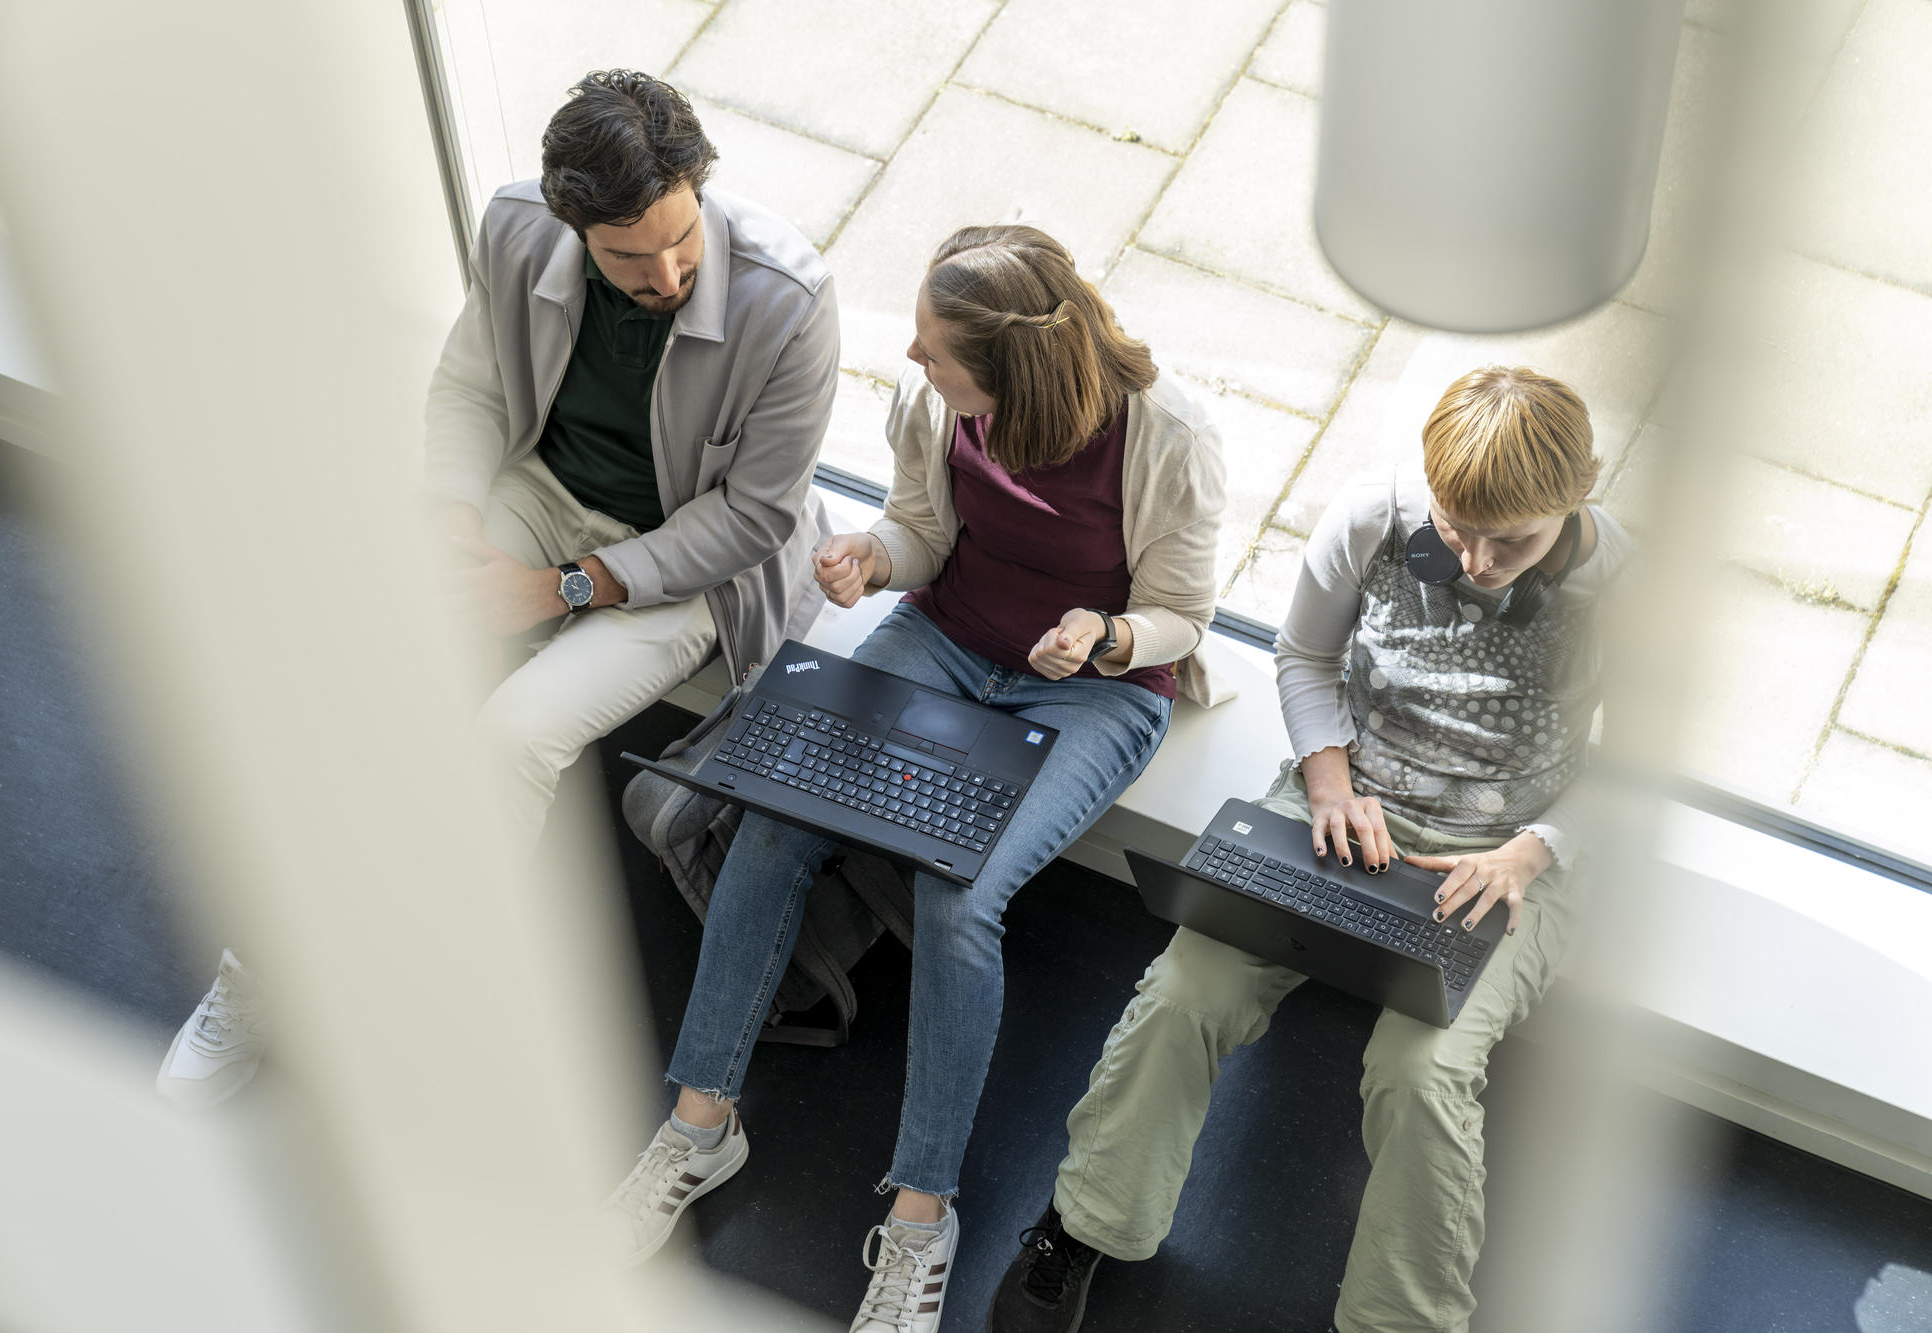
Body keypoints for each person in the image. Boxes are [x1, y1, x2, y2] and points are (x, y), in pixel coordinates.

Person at [156, 69, 838, 1109]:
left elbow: (753, 519)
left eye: (681, 240)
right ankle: (253, 982)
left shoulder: (790, 302)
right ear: (573, 230)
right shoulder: (518, 228)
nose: (664, 273)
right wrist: (450, 522)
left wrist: (561, 588)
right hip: (540, 494)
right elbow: (471, 387)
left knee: (513, 738)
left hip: (682, 563)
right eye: (627, 256)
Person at [603, 224, 1226, 1332]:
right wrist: (874, 560)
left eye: (937, 348)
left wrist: (1103, 632)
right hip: (943, 640)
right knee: (775, 820)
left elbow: (1183, 611)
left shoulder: (1167, 435)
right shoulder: (935, 407)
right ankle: (702, 1124)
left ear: (1012, 374)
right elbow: (923, 532)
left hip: (1091, 688)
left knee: (960, 897)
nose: (913, 357)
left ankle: (921, 1214)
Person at [987, 366, 1630, 1333]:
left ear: (1583, 485)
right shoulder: (1372, 517)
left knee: (1423, 1074)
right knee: (1180, 994)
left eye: (1516, 541)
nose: (1483, 561)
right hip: (1343, 798)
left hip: (1500, 854)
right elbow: (1307, 658)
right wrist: (1330, 782)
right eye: (1459, 529)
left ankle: (1402, 1320)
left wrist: (1534, 850)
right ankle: (1088, 1221)